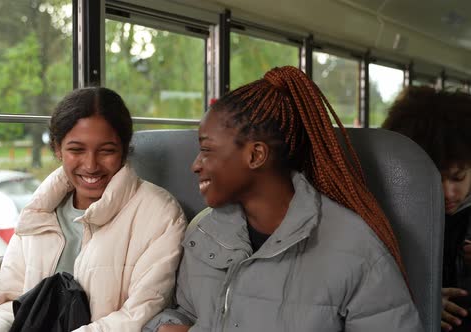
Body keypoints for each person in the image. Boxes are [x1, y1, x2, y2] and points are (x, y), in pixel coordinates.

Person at [144, 66, 422, 331]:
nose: (196, 164)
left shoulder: (357, 248)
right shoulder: (203, 232)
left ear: (255, 156)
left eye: (207, 150)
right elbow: (188, 313)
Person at [0, 87, 187, 332]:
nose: (90, 165)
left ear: (123, 150)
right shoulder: (39, 213)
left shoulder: (160, 213)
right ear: (58, 149)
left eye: (106, 151)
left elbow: (141, 313)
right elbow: (12, 302)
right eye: (76, 150)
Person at [382, 86, 471, 331]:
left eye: (458, 177)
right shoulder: (388, 216)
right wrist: (421, 301)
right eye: (433, 179)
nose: (447, 193)